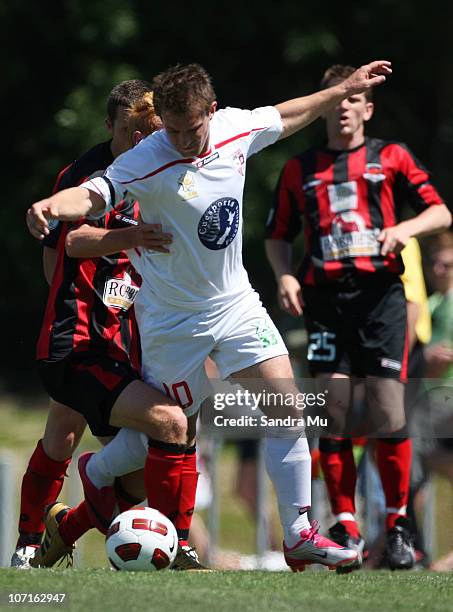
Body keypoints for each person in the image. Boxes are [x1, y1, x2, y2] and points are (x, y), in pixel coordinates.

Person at [26, 60, 396, 572]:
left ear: (212, 113)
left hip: (236, 306)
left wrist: (344, 90)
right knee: (168, 432)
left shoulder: (235, 128)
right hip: (173, 325)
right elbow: (92, 193)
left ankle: (297, 534)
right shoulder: (148, 156)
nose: (179, 139)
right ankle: (99, 473)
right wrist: (53, 205)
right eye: (171, 129)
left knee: (287, 407)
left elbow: (289, 114)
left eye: (189, 128)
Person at [265, 64, 451, 571]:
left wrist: (405, 228)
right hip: (327, 302)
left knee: (390, 410)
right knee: (337, 410)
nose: (344, 109)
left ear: (367, 108)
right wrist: (284, 275)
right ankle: (345, 523)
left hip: (382, 299)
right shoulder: (298, 170)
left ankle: (397, 525)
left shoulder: (391, 156)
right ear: (326, 105)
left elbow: (441, 212)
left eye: (354, 101)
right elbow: (277, 235)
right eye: (336, 100)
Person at [13, 83, 188, 569]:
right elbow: (65, 248)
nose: (140, 138)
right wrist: (75, 306)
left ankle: (55, 533)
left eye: (148, 131)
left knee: (118, 455)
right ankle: (30, 544)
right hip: (81, 338)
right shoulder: (84, 177)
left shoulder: (156, 172)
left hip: (122, 339)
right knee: (79, 435)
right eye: (130, 130)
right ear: (112, 126)